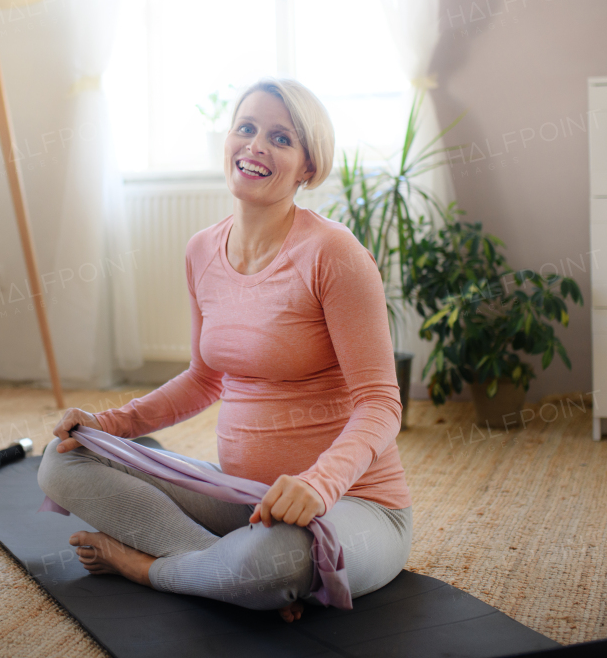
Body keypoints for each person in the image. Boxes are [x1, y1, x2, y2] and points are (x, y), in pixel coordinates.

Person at [38, 78, 412, 622]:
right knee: (64, 460)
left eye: (281, 138)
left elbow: (381, 403)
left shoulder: (334, 253)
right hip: (242, 499)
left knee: (274, 563)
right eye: (247, 128)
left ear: (308, 166)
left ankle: (149, 568)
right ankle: (229, 573)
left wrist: (318, 484)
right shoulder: (201, 250)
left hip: (354, 505)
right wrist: (111, 423)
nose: (256, 145)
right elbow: (203, 378)